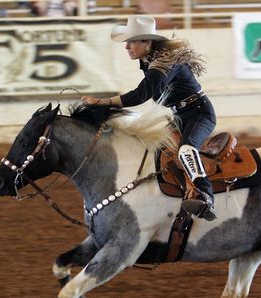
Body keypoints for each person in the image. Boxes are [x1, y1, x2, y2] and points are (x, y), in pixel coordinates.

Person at [82, 15, 217, 221]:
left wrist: (103, 102)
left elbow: (142, 94)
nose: (127, 46)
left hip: (199, 113)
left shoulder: (164, 61)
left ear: (148, 43)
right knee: (159, 153)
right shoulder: (152, 60)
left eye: (132, 41)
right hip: (182, 115)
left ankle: (206, 195)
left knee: (186, 149)